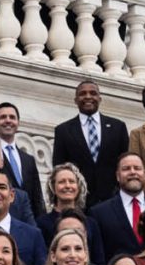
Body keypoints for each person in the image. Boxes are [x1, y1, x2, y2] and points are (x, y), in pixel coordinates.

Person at [51, 78, 129, 206]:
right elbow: (59, 167)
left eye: (93, 93)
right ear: (75, 100)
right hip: (79, 202)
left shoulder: (117, 127)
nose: (88, 97)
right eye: (82, 94)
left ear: (100, 98)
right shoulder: (63, 130)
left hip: (113, 200)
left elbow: (125, 162)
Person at [93, 151, 145, 265]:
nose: (133, 172)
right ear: (117, 176)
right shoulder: (99, 213)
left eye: (137, 168)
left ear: (144, 174)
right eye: (126, 169)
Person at [0, 101, 45, 217]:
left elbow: (37, 198)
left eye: (12, 117)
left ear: (18, 123)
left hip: (26, 223)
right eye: (3, 117)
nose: (8, 120)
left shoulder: (29, 160)